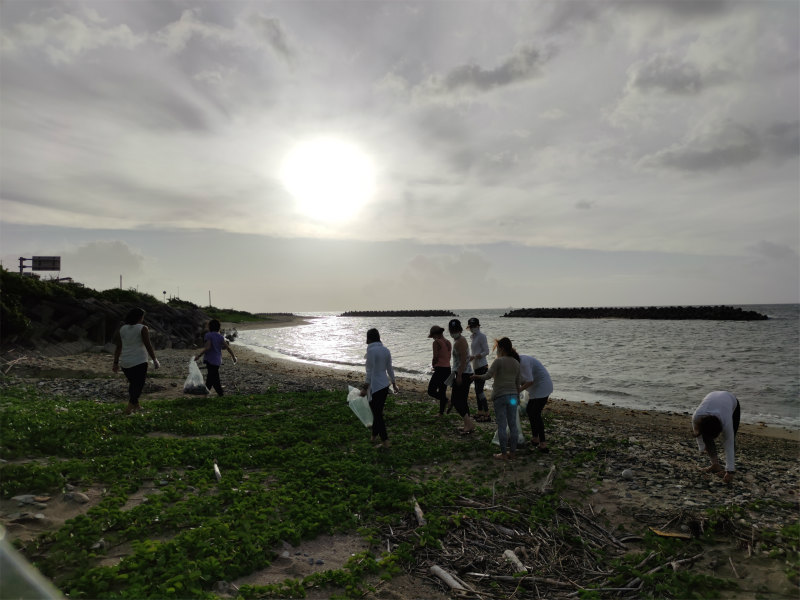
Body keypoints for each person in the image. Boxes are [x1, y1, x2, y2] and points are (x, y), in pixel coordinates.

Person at [472, 337, 521, 460]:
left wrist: (475, 376)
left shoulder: (498, 362)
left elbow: (487, 376)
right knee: (513, 425)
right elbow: (518, 382)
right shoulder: (516, 362)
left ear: (502, 348)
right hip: (513, 397)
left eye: (498, 348)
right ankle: (513, 453)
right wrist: (517, 397)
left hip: (500, 396)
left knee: (502, 425)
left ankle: (504, 454)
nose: (497, 350)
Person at [112, 307, 160, 414]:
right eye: (143, 317)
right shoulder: (143, 328)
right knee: (138, 384)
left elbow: (119, 347)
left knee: (133, 383)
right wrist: (155, 359)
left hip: (125, 362)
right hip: (139, 361)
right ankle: (130, 406)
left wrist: (115, 362)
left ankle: (136, 405)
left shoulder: (123, 328)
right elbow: (148, 345)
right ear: (140, 317)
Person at [360, 328, 398, 448]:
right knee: (377, 412)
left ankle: (385, 441)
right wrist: (394, 383)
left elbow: (369, 372)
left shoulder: (371, 351)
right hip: (384, 386)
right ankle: (373, 436)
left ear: (369, 338)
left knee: (377, 414)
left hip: (375, 387)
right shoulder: (386, 350)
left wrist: (365, 388)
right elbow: (389, 368)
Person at [692, 391, 740, 483]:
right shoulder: (697, 417)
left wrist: (730, 471)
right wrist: (701, 447)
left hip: (731, 401)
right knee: (706, 437)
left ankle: (730, 466)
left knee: (731, 438)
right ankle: (715, 465)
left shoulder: (726, 421)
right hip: (712, 397)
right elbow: (697, 432)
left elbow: (728, 443)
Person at [519, 353, 554, 453]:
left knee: (536, 413)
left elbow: (529, 381)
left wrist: (518, 390)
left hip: (543, 387)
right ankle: (535, 438)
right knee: (530, 410)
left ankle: (543, 443)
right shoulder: (517, 362)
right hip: (535, 389)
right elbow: (522, 379)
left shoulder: (523, 361)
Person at [194, 319, 237, 396]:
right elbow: (227, 347)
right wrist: (233, 357)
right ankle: (219, 394)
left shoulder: (208, 335)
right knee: (213, 377)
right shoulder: (220, 337)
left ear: (210, 327)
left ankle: (213, 394)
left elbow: (208, 347)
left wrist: (199, 355)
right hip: (217, 361)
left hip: (210, 360)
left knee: (212, 378)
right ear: (218, 327)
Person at [447, 319, 475, 434]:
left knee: (456, 400)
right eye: (452, 330)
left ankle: (469, 424)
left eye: (456, 330)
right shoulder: (458, 340)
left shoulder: (461, 341)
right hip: (462, 373)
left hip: (463, 374)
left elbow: (463, 360)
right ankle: (467, 425)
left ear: (460, 330)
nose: (453, 332)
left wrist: (459, 376)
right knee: (462, 400)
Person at [467, 317, 491, 422]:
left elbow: (486, 351)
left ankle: (487, 413)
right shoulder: (472, 337)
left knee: (480, 390)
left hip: (482, 366)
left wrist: (475, 356)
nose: (472, 328)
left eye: (474, 326)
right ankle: (479, 412)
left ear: (478, 326)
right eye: (470, 326)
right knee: (477, 390)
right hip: (475, 366)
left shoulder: (482, 336)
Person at [426, 325, 451, 416]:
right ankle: (441, 413)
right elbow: (448, 357)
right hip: (448, 369)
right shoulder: (448, 342)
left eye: (433, 336)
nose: (433, 338)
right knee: (442, 391)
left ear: (436, 334)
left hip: (440, 369)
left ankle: (447, 400)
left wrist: (433, 365)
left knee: (431, 391)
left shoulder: (436, 342)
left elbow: (435, 356)